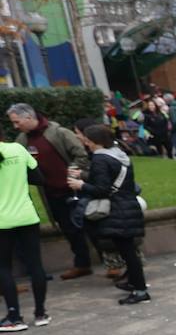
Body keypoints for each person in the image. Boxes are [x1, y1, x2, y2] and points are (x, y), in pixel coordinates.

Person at [8, 103, 92, 279]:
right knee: (68, 229)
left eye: (17, 122)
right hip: (51, 192)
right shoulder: (22, 141)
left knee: (88, 226)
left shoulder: (58, 132)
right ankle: (82, 263)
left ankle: (108, 261)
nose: (15, 126)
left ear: (29, 117)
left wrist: (73, 172)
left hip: (73, 189)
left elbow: (80, 154)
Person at [69, 123, 149, 305]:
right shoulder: (118, 154)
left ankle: (139, 289)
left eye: (87, 140)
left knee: (127, 251)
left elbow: (102, 189)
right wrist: (84, 175)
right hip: (127, 205)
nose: (85, 143)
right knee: (129, 250)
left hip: (117, 209)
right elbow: (110, 180)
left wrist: (80, 185)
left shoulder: (100, 159)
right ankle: (135, 284)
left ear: (94, 141)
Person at [0, 135, 47, 331]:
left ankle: (14, 316)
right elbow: (38, 178)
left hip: (2, 221)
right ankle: (40, 313)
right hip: (27, 216)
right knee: (35, 263)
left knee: (3, 268)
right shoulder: (18, 149)